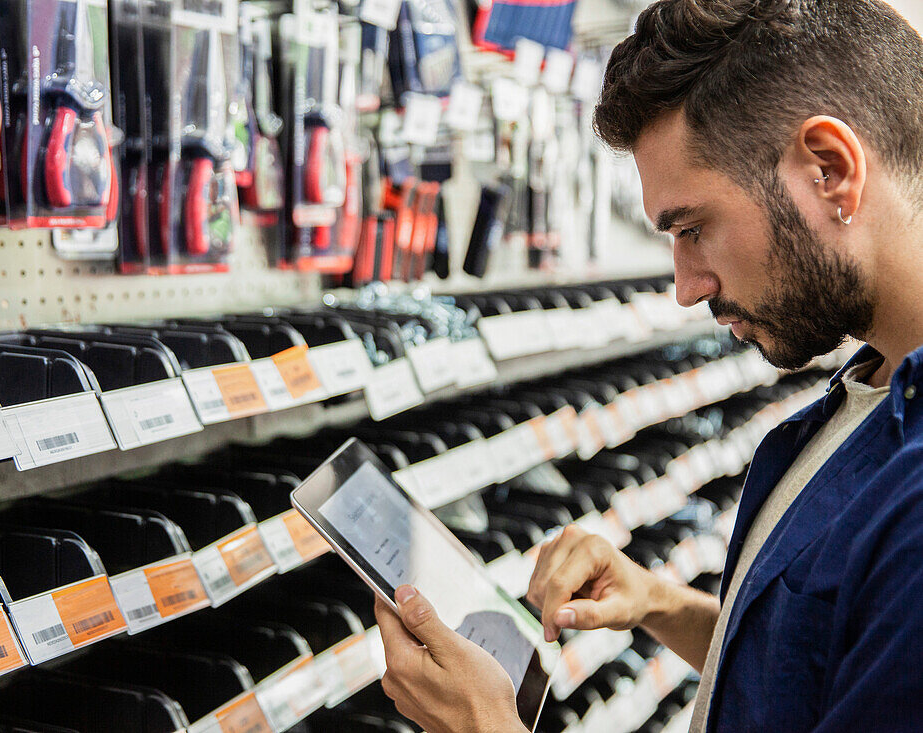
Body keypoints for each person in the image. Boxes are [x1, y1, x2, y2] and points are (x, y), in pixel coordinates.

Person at [373, 0, 923, 730]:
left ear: (830, 170)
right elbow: (817, 663)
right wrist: (661, 602)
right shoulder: (873, 388)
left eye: (694, 228)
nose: (686, 286)